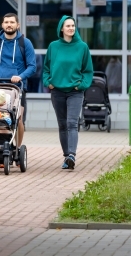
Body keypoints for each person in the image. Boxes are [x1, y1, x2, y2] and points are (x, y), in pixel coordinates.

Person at [43, 15, 93, 170]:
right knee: (62, 124)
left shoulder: (82, 47)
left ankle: (72, 154)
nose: (71, 28)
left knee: (72, 123)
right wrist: (48, 83)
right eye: (68, 26)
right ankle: (66, 157)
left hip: (75, 92)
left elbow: (88, 70)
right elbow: (46, 68)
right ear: (61, 28)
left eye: (73, 25)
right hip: (57, 91)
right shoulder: (53, 46)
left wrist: (82, 85)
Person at [0, 13, 36, 153]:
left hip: (17, 88)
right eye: (6, 22)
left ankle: (17, 149)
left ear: (17, 25)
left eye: (12, 22)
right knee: (1, 119)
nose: (9, 25)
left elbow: (32, 66)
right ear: (2, 25)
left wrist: (20, 76)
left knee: (18, 119)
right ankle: (4, 150)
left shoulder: (25, 43)